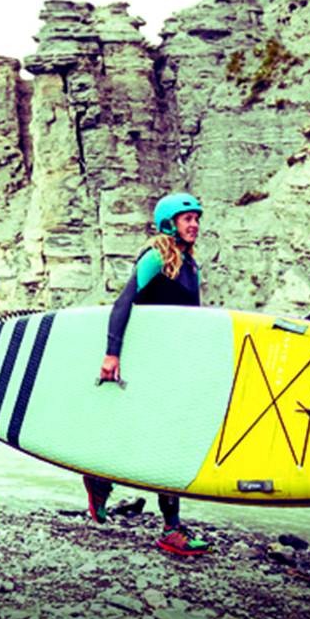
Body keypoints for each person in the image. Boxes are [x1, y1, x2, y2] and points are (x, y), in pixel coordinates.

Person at [84, 191, 210, 556]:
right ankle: (170, 528)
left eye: (197, 218)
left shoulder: (191, 266)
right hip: (144, 361)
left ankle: (100, 479)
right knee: (165, 440)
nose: (194, 224)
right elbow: (124, 301)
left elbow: (192, 321)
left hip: (172, 365)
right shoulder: (156, 257)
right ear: (169, 222)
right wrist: (111, 353)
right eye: (187, 218)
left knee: (162, 436)